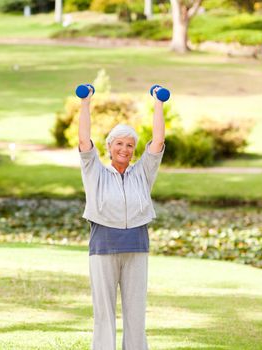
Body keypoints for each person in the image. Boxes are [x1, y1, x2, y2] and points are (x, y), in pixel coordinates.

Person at [78, 86, 166, 350]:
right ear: (108, 147)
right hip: (103, 246)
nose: (125, 149)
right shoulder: (95, 171)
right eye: (119, 143)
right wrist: (85, 102)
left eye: (130, 145)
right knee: (104, 313)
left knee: (136, 313)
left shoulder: (143, 173)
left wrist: (158, 102)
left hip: (136, 246)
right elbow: (84, 140)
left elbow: (158, 142)